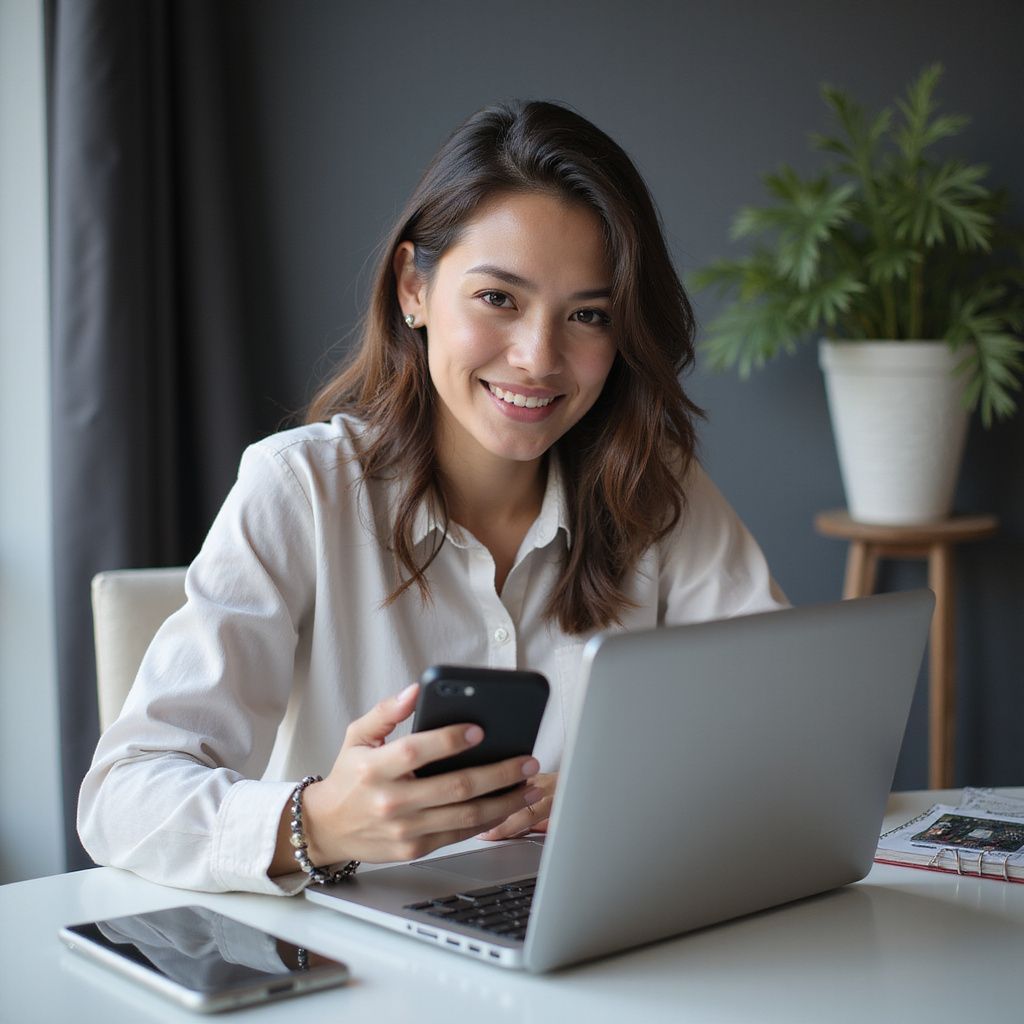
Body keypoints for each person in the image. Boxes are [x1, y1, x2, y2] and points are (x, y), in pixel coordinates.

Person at [78, 99, 787, 895]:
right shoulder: (301, 489)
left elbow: (785, 730)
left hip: (597, 944)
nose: (538, 357)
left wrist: (638, 794)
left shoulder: (655, 490)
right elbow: (123, 798)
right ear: (414, 287)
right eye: (499, 299)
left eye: (588, 315)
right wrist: (320, 822)